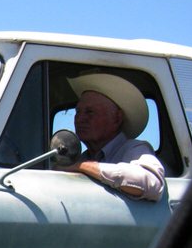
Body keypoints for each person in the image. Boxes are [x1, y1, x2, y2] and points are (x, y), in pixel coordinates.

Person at [59, 73, 165, 202]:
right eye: (78, 112)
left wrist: (82, 167)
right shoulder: (83, 158)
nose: (79, 119)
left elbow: (153, 184)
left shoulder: (134, 149)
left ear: (117, 118)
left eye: (90, 112)